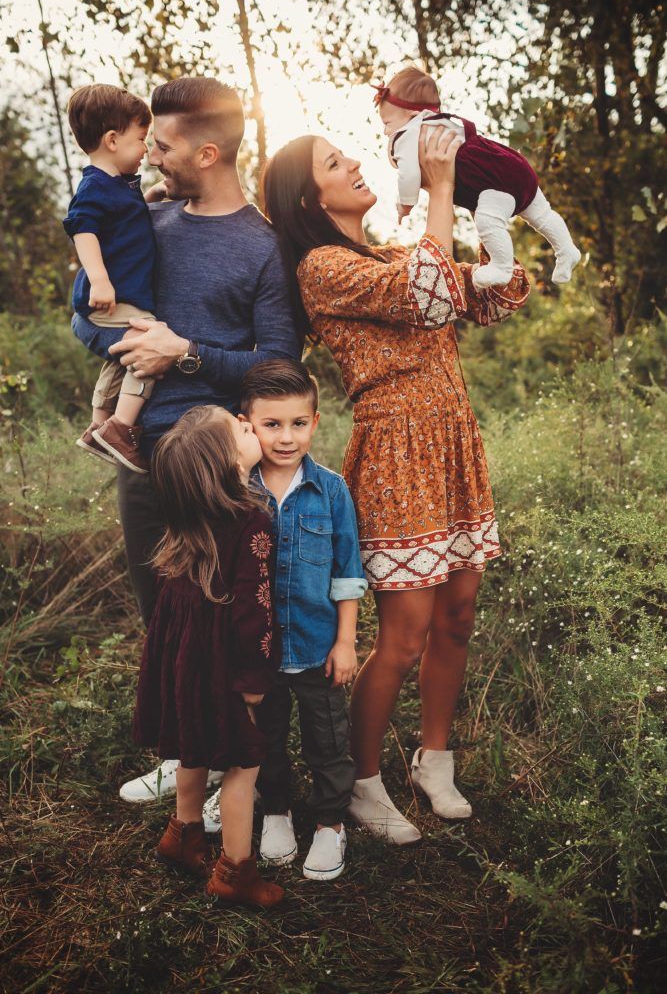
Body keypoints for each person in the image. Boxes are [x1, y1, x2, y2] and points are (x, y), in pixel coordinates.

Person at [261, 127, 530, 845]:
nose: (353, 163)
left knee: (458, 616)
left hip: (451, 445)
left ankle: (432, 760)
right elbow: (429, 291)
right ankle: (361, 782)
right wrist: (438, 190)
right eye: (333, 163)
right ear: (307, 197)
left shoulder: (388, 253)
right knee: (403, 635)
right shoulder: (320, 268)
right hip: (397, 454)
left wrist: (486, 202)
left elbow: (491, 297)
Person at [71, 77, 302, 801]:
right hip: (138, 452)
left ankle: (253, 778)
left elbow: (281, 366)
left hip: (215, 463)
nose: (151, 158)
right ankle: (184, 761)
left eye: (162, 145)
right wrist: (116, 335)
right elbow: (85, 316)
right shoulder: (145, 218)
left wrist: (187, 353)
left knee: (233, 627)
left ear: (205, 151)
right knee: (161, 617)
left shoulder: (263, 248)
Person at [201, 359, 367, 881]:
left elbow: (347, 572)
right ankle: (276, 810)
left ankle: (329, 823)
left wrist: (346, 641)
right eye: (272, 425)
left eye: (298, 423)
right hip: (258, 652)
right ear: (247, 424)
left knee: (328, 739)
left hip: (318, 645)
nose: (287, 437)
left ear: (316, 422)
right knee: (264, 737)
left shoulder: (332, 490)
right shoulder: (233, 490)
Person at [132, 404, 285, 908]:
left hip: (184, 663)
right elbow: (255, 612)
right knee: (244, 766)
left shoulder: (186, 524)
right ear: (227, 463)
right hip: (227, 664)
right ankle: (235, 873)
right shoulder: (252, 521)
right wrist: (255, 677)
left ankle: (183, 833)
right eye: (240, 428)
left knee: (191, 747)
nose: (249, 424)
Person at [375, 65, 581, 287]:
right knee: (543, 214)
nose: (386, 131)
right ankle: (567, 249)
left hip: (491, 182)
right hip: (511, 164)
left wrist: (405, 204)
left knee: (487, 221)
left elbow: (409, 174)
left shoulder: (408, 133)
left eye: (387, 123)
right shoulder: (444, 122)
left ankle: (502, 267)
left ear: (413, 114)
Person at [64, 84, 157, 473]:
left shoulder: (117, 186)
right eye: (141, 140)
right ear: (113, 140)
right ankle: (121, 428)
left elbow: (124, 220)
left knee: (121, 358)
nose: (146, 151)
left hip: (117, 297)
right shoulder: (94, 186)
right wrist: (100, 280)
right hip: (108, 298)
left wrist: (153, 196)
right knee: (148, 344)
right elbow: (82, 228)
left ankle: (99, 422)